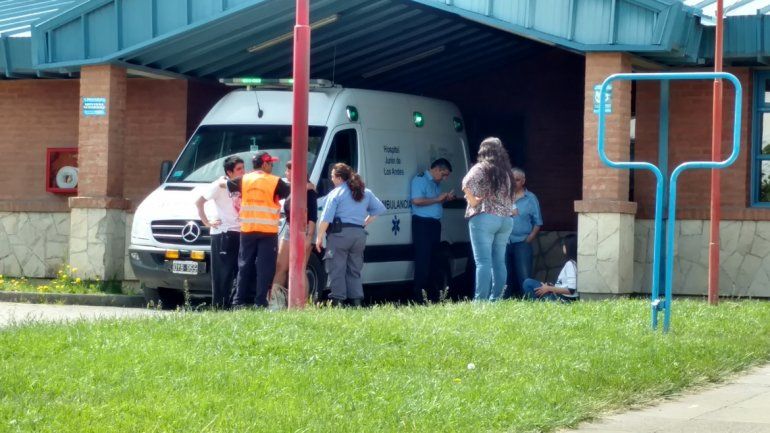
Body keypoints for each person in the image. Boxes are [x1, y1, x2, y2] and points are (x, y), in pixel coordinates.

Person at [315, 163, 386, 307]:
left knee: (337, 268)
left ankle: (338, 301)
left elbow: (326, 218)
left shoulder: (336, 193)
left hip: (339, 235)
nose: (331, 179)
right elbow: (379, 209)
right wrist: (364, 223)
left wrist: (319, 236)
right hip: (359, 235)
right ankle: (356, 302)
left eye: (332, 176)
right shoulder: (365, 192)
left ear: (339, 178)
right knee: (354, 269)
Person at [227, 152, 290, 308]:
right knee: (264, 268)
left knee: (244, 265)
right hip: (267, 231)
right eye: (271, 164)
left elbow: (228, 184)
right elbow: (289, 191)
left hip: (247, 229)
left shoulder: (244, 179)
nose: (272, 166)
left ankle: (238, 301)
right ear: (264, 164)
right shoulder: (275, 181)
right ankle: (260, 301)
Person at [461, 137, 517, 302]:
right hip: (505, 220)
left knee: (483, 262)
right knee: (499, 261)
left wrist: (473, 201)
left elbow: (466, 183)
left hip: (485, 218)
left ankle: (480, 302)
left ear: (483, 151)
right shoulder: (507, 173)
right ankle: (496, 300)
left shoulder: (481, 167)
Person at [194, 155, 245, 309]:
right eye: (239, 169)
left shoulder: (243, 183)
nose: (243, 171)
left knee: (239, 270)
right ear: (229, 172)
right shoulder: (219, 184)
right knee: (223, 273)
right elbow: (199, 202)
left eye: (243, 168)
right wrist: (206, 222)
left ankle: (233, 305)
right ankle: (219, 307)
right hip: (224, 233)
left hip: (240, 232)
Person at [270, 161, 318, 308]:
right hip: (289, 228)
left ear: (296, 172)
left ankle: (300, 304)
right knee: (280, 266)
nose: (285, 173)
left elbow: (313, 216)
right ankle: (276, 303)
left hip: (305, 230)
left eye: (288, 170)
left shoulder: (309, 191)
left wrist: (309, 237)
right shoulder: (293, 188)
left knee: (299, 268)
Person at [409, 158, 455, 304]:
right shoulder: (420, 179)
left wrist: (445, 199)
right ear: (436, 169)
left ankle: (431, 295)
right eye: (443, 174)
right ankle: (419, 298)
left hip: (434, 224)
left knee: (433, 260)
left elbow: (434, 201)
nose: (444, 178)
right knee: (423, 260)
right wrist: (437, 199)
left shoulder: (435, 182)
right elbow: (417, 200)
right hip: (422, 224)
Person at [505, 167, 543, 299]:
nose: (513, 182)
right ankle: (504, 304)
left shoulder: (530, 198)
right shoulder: (503, 196)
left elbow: (538, 222)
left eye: (517, 180)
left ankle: (529, 303)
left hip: (522, 242)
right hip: (504, 242)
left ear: (523, 181)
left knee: (524, 278)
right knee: (504, 277)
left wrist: (530, 238)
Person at [522, 234, 578, 302]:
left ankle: (536, 304)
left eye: (564, 244)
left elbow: (571, 290)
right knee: (529, 282)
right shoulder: (575, 263)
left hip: (561, 299)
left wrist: (548, 288)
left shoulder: (570, 264)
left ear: (568, 247)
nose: (563, 246)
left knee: (528, 283)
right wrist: (551, 286)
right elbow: (566, 285)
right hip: (559, 295)